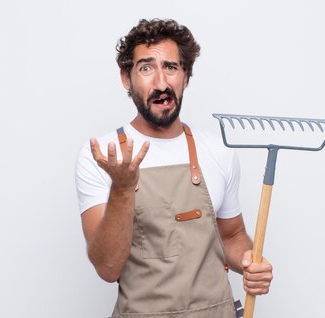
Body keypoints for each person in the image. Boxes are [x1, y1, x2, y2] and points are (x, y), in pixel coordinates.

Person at [75, 18, 273, 318]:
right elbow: (107, 267)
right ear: (126, 79)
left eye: (171, 67)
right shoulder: (102, 156)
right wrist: (123, 188)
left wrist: (249, 260)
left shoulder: (217, 152)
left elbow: (232, 236)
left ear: (186, 76)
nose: (161, 83)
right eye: (145, 68)